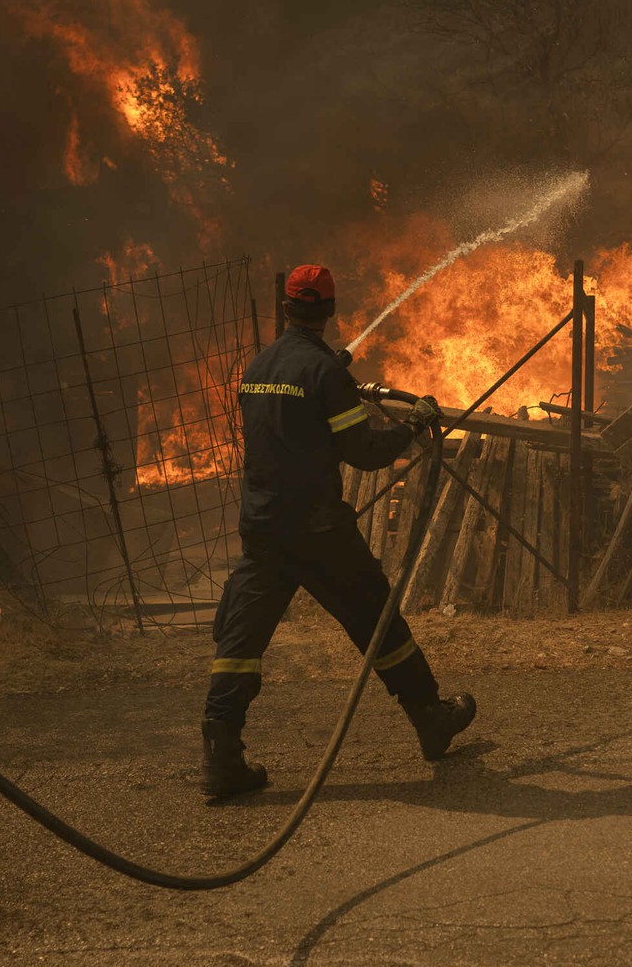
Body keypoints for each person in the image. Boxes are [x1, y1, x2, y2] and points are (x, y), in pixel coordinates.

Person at [201, 264, 477, 799]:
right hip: (319, 532)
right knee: (378, 622)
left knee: (240, 642)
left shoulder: (257, 367)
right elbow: (365, 452)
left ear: (286, 307)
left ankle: (221, 757)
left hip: (263, 529)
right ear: (328, 312)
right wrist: (414, 424)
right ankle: (429, 716)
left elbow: (289, 428)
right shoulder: (323, 374)